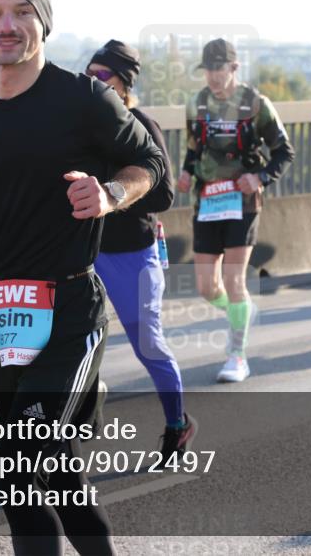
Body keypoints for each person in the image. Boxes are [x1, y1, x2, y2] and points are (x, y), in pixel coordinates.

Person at [0, 0, 166, 556]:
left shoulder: (83, 98)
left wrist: (109, 193)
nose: (7, 25)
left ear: (43, 24)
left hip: (71, 310)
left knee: (15, 467)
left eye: (22, 12)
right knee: (57, 476)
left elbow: (149, 165)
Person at [85, 39, 195, 458]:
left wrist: (113, 194)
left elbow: (164, 194)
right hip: (85, 250)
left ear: (124, 83)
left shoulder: (140, 123)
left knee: (148, 344)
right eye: (89, 74)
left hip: (131, 251)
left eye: (102, 75)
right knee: (73, 342)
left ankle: (177, 423)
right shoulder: (81, 122)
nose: (93, 81)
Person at [177, 38, 295, 383]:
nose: (213, 76)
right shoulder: (196, 104)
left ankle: (237, 355)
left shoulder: (256, 105)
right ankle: (240, 312)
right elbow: (193, 149)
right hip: (207, 201)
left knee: (233, 279)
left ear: (234, 67)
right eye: (208, 69)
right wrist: (186, 171)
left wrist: (259, 177)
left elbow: (284, 152)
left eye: (219, 68)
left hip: (242, 202)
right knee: (206, 286)